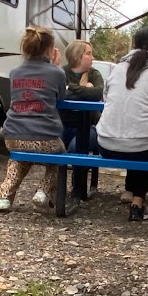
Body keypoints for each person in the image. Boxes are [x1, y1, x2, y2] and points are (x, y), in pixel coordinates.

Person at [96, 26, 148, 222]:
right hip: (145, 146)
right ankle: (138, 203)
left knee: (145, 138)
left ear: (134, 44)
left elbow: (107, 100)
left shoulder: (117, 69)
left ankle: (129, 192)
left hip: (106, 144)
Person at [0, 27, 65, 212]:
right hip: (45, 137)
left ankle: (3, 197)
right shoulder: (56, 73)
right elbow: (61, 98)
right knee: (59, 156)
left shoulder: (15, 72)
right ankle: (44, 192)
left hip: (13, 136)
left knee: (20, 159)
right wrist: (55, 66)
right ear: (50, 49)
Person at [61, 39, 104, 201]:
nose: (92, 57)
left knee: (76, 147)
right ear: (77, 56)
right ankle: (51, 187)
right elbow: (61, 94)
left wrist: (71, 87)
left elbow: (97, 94)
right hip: (63, 124)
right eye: (88, 54)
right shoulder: (62, 73)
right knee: (54, 146)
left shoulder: (94, 74)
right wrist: (85, 90)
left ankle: (78, 189)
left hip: (89, 126)